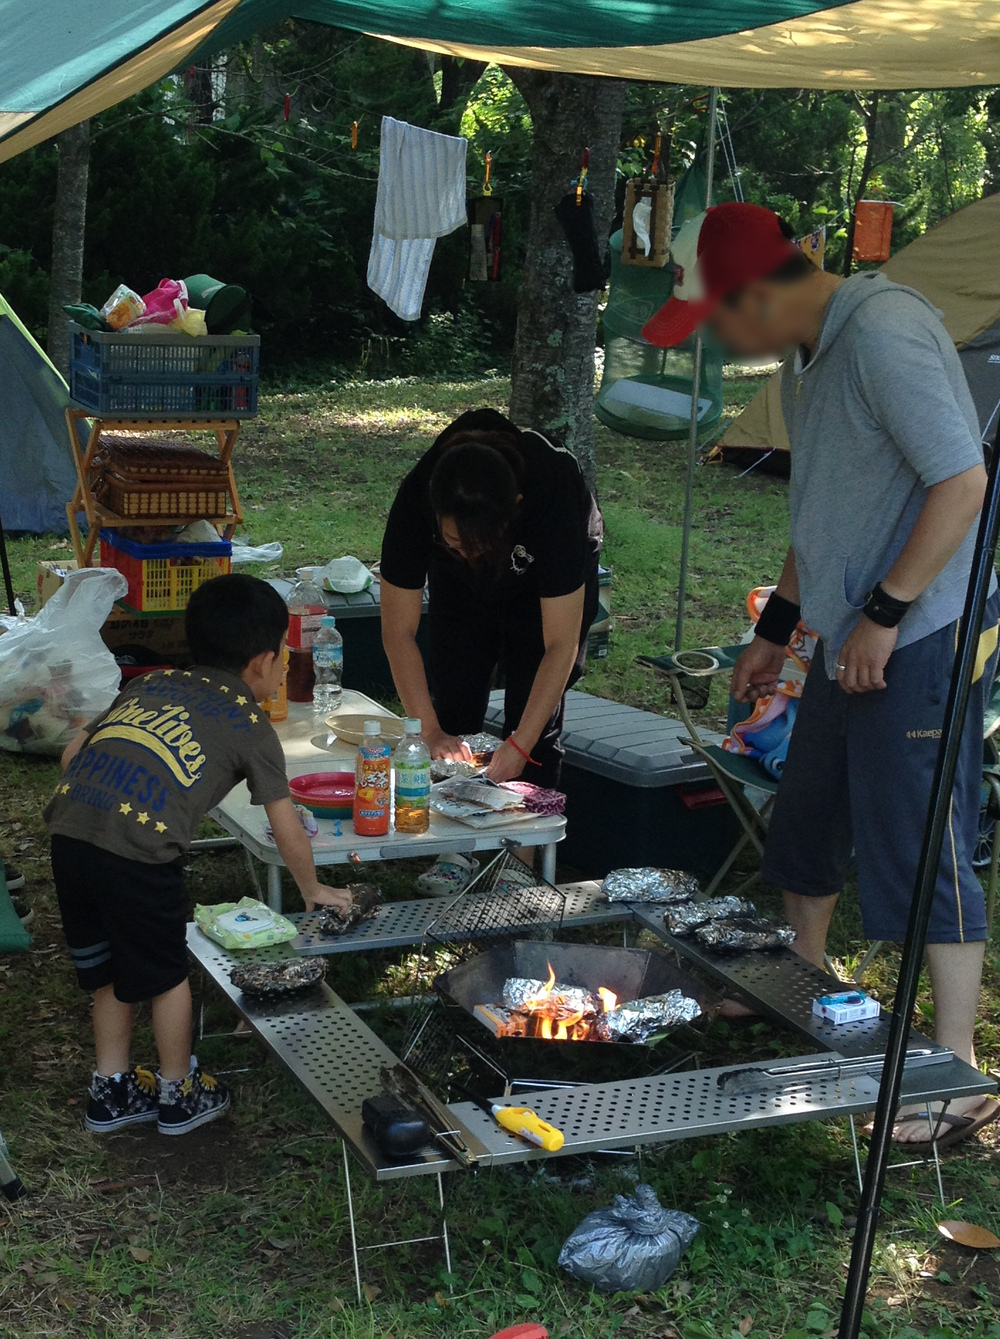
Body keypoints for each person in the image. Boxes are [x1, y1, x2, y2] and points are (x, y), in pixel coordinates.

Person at [644, 201, 999, 1150]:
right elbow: (822, 508)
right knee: (806, 809)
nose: (719, 341)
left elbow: (963, 483)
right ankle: (801, 974)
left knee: (918, 832)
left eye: (718, 321)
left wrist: (885, 615)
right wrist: (778, 627)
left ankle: (960, 1072)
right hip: (850, 624)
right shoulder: (806, 358)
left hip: (925, 624)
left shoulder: (885, 332)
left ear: (759, 291)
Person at [45, 574, 351, 1136]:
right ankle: (177, 1091)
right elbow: (283, 819)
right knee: (166, 975)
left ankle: (110, 1091)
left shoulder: (152, 683)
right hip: (139, 856)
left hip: (70, 834)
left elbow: (71, 754)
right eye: (285, 651)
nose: (286, 662)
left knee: (110, 970)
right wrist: (312, 889)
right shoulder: (247, 722)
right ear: (264, 660)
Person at [380, 408, 603, 790]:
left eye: (479, 545)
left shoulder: (553, 493)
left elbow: (560, 644)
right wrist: (431, 733)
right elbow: (398, 632)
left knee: (534, 730)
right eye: (455, 544)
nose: (470, 555)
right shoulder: (417, 499)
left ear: (515, 504)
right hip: (458, 587)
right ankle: (455, 844)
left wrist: (521, 743)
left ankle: (524, 848)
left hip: (540, 579)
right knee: (454, 697)